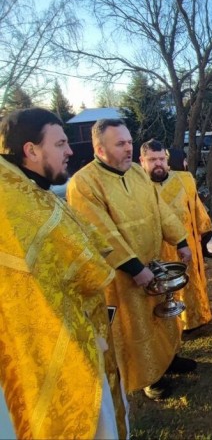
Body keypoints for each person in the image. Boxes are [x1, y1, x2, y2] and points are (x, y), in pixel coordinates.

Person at [0, 108, 128, 438]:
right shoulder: (17, 201)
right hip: (52, 342)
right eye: (60, 144)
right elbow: (85, 263)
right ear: (31, 150)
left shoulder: (29, 189)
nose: (70, 151)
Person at [67, 118, 195, 401]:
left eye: (129, 142)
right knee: (136, 325)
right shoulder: (83, 184)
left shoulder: (137, 173)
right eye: (120, 144)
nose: (128, 148)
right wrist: (134, 267)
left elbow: (160, 210)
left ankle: (169, 359)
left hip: (156, 263)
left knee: (163, 316)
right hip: (124, 275)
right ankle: (149, 376)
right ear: (100, 150)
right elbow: (100, 232)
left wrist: (182, 241)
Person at [140, 139, 212, 332]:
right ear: (142, 161)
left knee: (190, 281)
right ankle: (166, 322)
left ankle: (195, 318)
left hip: (187, 244)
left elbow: (197, 209)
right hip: (156, 250)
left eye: (161, 159)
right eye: (152, 159)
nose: (158, 163)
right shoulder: (137, 187)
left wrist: (202, 232)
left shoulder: (185, 179)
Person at [168, 147, 212, 258]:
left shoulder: (168, 178)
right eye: (184, 160)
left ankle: (203, 251)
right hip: (187, 222)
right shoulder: (184, 178)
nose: (185, 163)